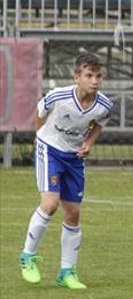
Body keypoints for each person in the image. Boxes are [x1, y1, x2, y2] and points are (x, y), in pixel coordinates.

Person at [18, 53, 113, 290]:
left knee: (73, 213)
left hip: (74, 158)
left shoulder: (104, 105)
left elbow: (99, 125)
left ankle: (67, 272)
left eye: (98, 76)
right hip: (50, 150)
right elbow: (40, 113)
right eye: (89, 75)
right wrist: (39, 138)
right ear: (77, 77)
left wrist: (89, 144)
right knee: (50, 204)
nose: (94, 81)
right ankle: (28, 256)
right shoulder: (58, 96)